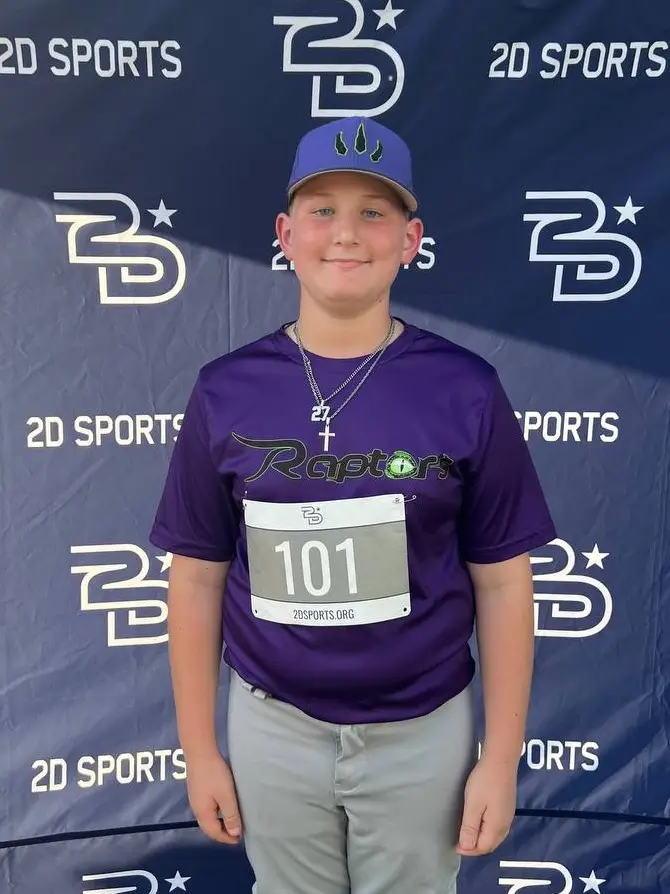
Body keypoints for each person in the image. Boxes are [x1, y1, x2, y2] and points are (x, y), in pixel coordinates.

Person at [149, 116, 556, 894]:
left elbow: (505, 582)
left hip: (423, 732)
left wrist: (500, 759)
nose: (345, 233)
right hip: (272, 728)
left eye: (373, 212)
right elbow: (196, 577)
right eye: (323, 210)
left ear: (410, 240)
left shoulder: (466, 389)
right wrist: (200, 750)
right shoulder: (225, 390)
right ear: (285, 234)